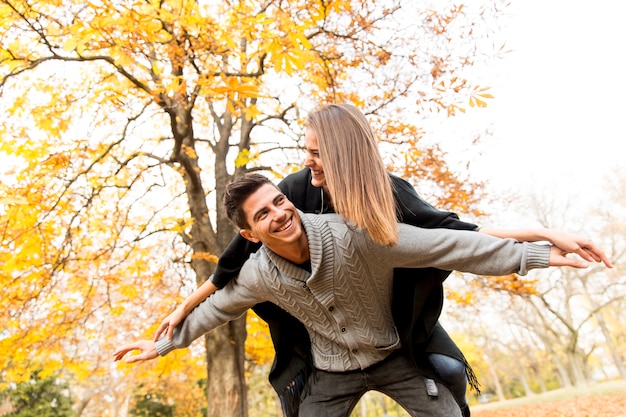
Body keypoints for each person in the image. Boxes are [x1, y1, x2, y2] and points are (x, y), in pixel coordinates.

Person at [151, 103, 612, 417]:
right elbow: (232, 272)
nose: (307, 161)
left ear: (339, 155)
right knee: (297, 391)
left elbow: (454, 238)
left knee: (449, 370)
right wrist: (179, 315)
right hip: (324, 342)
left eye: (315, 153)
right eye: (306, 151)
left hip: (391, 325)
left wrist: (543, 242)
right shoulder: (290, 192)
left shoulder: (387, 202)